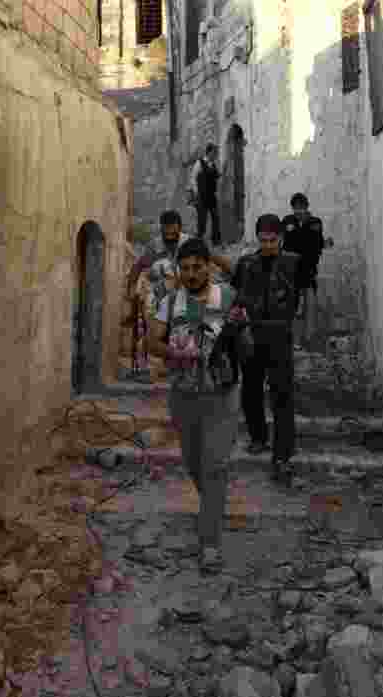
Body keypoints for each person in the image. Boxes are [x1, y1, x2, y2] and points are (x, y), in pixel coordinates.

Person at [148, 237, 239, 575]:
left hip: (221, 395)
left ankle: (210, 543)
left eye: (197, 267)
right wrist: (173, 351)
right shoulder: (169, 302)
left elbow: (246, 338)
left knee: (214, 466)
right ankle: (212, 507)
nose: (190, 273)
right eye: (184, 268)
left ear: (208, 267)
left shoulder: (227, 297)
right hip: (184, 396)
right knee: (193, 463)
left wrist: (239, 337)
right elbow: (151, 341)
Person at [228, 214, 301, 480]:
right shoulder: (246, 264)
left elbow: (299, 299)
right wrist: (237, 326)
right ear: (258, 239)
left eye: (273, 240)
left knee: (282, 395)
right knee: (251, 391)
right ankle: (258, 437)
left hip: (280, 336)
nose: (268, 244)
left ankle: (282, 455)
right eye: (264, 240)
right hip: (252, 336)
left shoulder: (293, 263)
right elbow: (235, 298)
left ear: (280, 238)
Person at [281, 193, 326, 344]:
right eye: (295, 208)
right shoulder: (287, 221)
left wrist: (312, 254)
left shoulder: (315, 222)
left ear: (307, 207)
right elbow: (283, 244)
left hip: (308, 271)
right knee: (292, 308)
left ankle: (308, 338)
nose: (298, 211)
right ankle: (294, 340)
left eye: (301, 208)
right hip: (291, 272)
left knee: (309, 307)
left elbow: (318, 245)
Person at [187, 143, 221, 247]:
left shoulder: (213, 164)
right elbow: (193, 177)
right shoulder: (199, 163)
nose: (216, 155)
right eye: (215, 153)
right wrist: (196, 192)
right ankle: (199, 242)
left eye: (216, 153)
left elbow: (215, 176)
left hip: (212, 196)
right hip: (201, 196)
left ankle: (216, 242)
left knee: (216, 218)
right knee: (202, 220)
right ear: (209, 152)